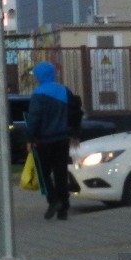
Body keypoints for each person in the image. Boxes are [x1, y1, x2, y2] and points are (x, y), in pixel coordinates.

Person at [26, 61, 74, 220]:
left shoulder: (38, 93)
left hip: (44, 140)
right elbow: (73, 113)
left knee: (43, 174)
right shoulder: (64, 91)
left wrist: (30, 137)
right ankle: (64, 208)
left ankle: (53, 200)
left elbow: (34, 117)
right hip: (62, 139)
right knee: (61, 172)